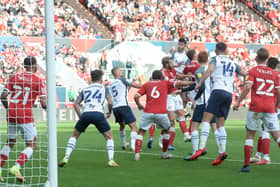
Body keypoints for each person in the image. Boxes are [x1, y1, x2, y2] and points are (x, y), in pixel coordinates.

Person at [195, 42, 247, 166]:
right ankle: (222, 152)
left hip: (217, 91)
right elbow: (245, 73)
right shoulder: (232, 62)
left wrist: (200, 82)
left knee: (206, 119)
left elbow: (210, 70)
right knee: (220, 124)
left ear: (217, 50)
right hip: (229, 94)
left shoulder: (215, 59)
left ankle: (201, 147)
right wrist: (244, 84)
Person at [58, 70, 119, 168]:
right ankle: (111, 160)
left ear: (91, 78)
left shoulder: (85, 88)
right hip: (98, 113)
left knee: (74, 136)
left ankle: (66, 157)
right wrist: (109, 112)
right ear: (101, 78)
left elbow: (76, 103)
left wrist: (80, 116)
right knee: (109, 137)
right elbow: (110, 102)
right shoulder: (104, 88)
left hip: (86, 113)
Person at [0, 56, 47, 182]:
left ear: (24, 66)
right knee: (31, 144)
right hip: (25, 114)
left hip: (12, 113)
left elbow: (3, 96)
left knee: (10, 142)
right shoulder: (38, 80)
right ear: (35, 66)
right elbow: (43, 103)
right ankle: (16, 167)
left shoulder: (14, 77)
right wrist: (51, 111)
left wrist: (8, 109)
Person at [234, 50, 280, 172]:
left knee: (250, 134)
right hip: (270, 107)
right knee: (277, 136)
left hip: (256, 107)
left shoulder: (253, 71)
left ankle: (246, 165)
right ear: (267, 59)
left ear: (256, 58)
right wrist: (276, 105)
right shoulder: (274, 74)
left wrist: (238, 101)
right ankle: (263, 156)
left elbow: (248, 86)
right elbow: (279, 92)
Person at [134, 70, 194, 160]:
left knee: (141, 132)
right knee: (167, 130)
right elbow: (180, 83)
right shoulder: (165, 83)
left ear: (152, 77)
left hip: (148, 112)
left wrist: (139, 105)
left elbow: (136, 96)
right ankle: (164, 153)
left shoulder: (147, 84)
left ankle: (137, 155)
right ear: (161, 77)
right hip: (161, 113)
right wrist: (193, 81)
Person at [184, 51, 218, 161]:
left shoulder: (199, 71)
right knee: (214, 126)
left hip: (202, 101)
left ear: (198, 59)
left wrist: (194, 99)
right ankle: (221, 151)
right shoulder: (212, 69)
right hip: (213, 101)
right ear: (207, 59)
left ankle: (195, 151)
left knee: (194, 126)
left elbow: (201, 86)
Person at [250, 57, 280, 165]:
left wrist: (276, 105)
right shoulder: (274, 75)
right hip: (271, 107)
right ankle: (258, 155)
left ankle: (266, 157)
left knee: (266, 131)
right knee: (263, 129)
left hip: (271, 108)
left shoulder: (272, 75)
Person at [160, 57, 192, 151]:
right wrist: (191, 82)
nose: (173, 64)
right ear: (166, 64)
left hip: (176, 95)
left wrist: (191, 76)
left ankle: (186, 135)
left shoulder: (172, 70)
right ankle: (168, 142)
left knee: (181, 114)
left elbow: (180, 76)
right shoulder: (162, 72)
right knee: (171, 121)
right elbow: (173, 82)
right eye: (171, 62)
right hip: (168, 96)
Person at [109, 67, 142, 151]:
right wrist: (143, 83)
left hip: (115, 107)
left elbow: (126, 89)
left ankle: (124, 143)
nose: (121, 72)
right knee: (133, 126)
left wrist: (109, 111)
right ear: (116, 73)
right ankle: (133, 146)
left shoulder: (111, 84)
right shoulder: (122, 79)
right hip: (123, 105)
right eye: (120, 70)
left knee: (122, 125)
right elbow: (138, 86)